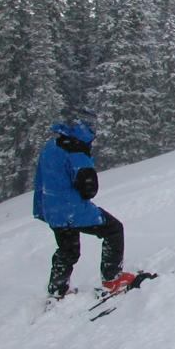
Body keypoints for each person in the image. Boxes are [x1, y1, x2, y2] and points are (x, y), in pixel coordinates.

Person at [33, 108, 135, 298]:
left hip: (52, 210)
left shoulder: (51, 146)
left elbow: (39, 181)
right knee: (113, 229)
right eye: (93, 127)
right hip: (73, 210)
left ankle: (58, 290)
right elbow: (89, 189)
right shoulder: (77, 151)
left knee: (67, 249)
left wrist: (41, 209)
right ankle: (112, 279)